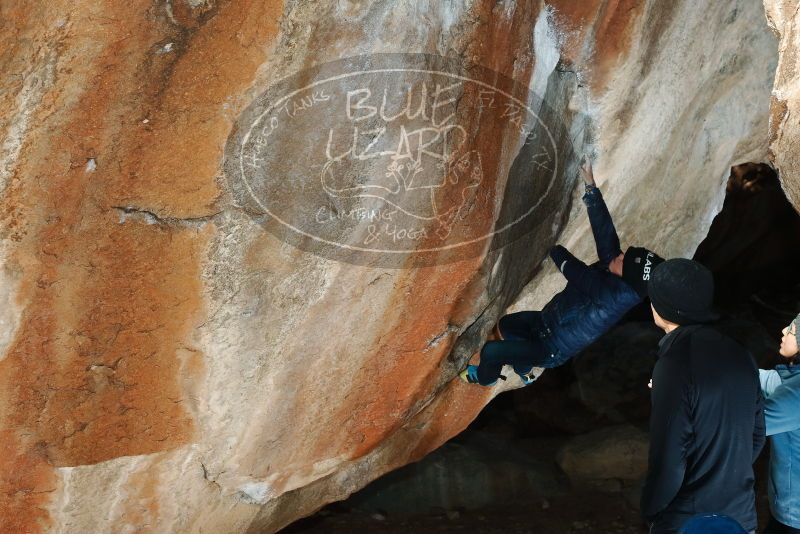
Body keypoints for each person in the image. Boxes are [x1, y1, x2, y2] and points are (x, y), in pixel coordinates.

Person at [459, 158, 664, 386]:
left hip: (549, 349)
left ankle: (485, 378)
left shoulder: (611, 297)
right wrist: (591, 187)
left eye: (623, 259)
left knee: (491, 351)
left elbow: (576, 273)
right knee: (506, 325)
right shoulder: (622, 280)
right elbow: (606, 237)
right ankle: (523, 368)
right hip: (545, 322)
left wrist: (552, 246)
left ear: (626, 278)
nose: (620, 255)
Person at [642, 258, 765, 534]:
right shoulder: (740, 354)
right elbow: (756, 435)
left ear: (661, 307)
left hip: (690, 520)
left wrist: (651, 509)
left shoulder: (674, 364)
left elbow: (668, 461)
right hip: (740, 515)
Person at [758, 312, 800, 534]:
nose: (784, 331)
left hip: (795, 516)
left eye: (792, 329)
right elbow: (766, 380)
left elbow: (748, 424)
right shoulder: (794, 379)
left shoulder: (795, 395)